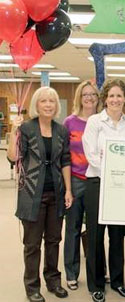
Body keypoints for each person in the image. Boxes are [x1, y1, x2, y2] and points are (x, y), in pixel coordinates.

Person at [7, 87, 73, 302]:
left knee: (54, 240)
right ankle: (32, 286)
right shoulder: (26, 128)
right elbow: (13, 157)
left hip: (56, 193)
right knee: (32, 244)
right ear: (36, 104)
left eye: (51, 101)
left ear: (56, 106)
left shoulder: (61, 130)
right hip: (31, 194)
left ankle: (53, 281)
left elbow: (65, 161)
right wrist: (13, 132)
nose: (48, 105)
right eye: (43, 101)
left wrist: (68, 190)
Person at [82, 79, 125, 302]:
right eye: (111, 96)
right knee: (96, 235)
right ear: (105, 98)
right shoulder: (95, 122)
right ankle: (96, 285)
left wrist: (120, 167)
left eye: (119, 96)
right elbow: (91, 155)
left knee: (117, 236)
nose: (115, 100)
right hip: (97, 182)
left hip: (121, 186)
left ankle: (117, 281)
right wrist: (113, 167)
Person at [63, 81, 101, 291]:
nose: (89, 98)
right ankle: (71, 273)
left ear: (98, 97)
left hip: (97, 180)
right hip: (76, 180)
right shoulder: (70, 122)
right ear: (79, 97)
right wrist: (67, 188)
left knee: (96, 231)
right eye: (85, 94)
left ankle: (97, 272)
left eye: (93, 94)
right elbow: (64, 157)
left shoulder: (102, 121)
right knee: (73, 229)